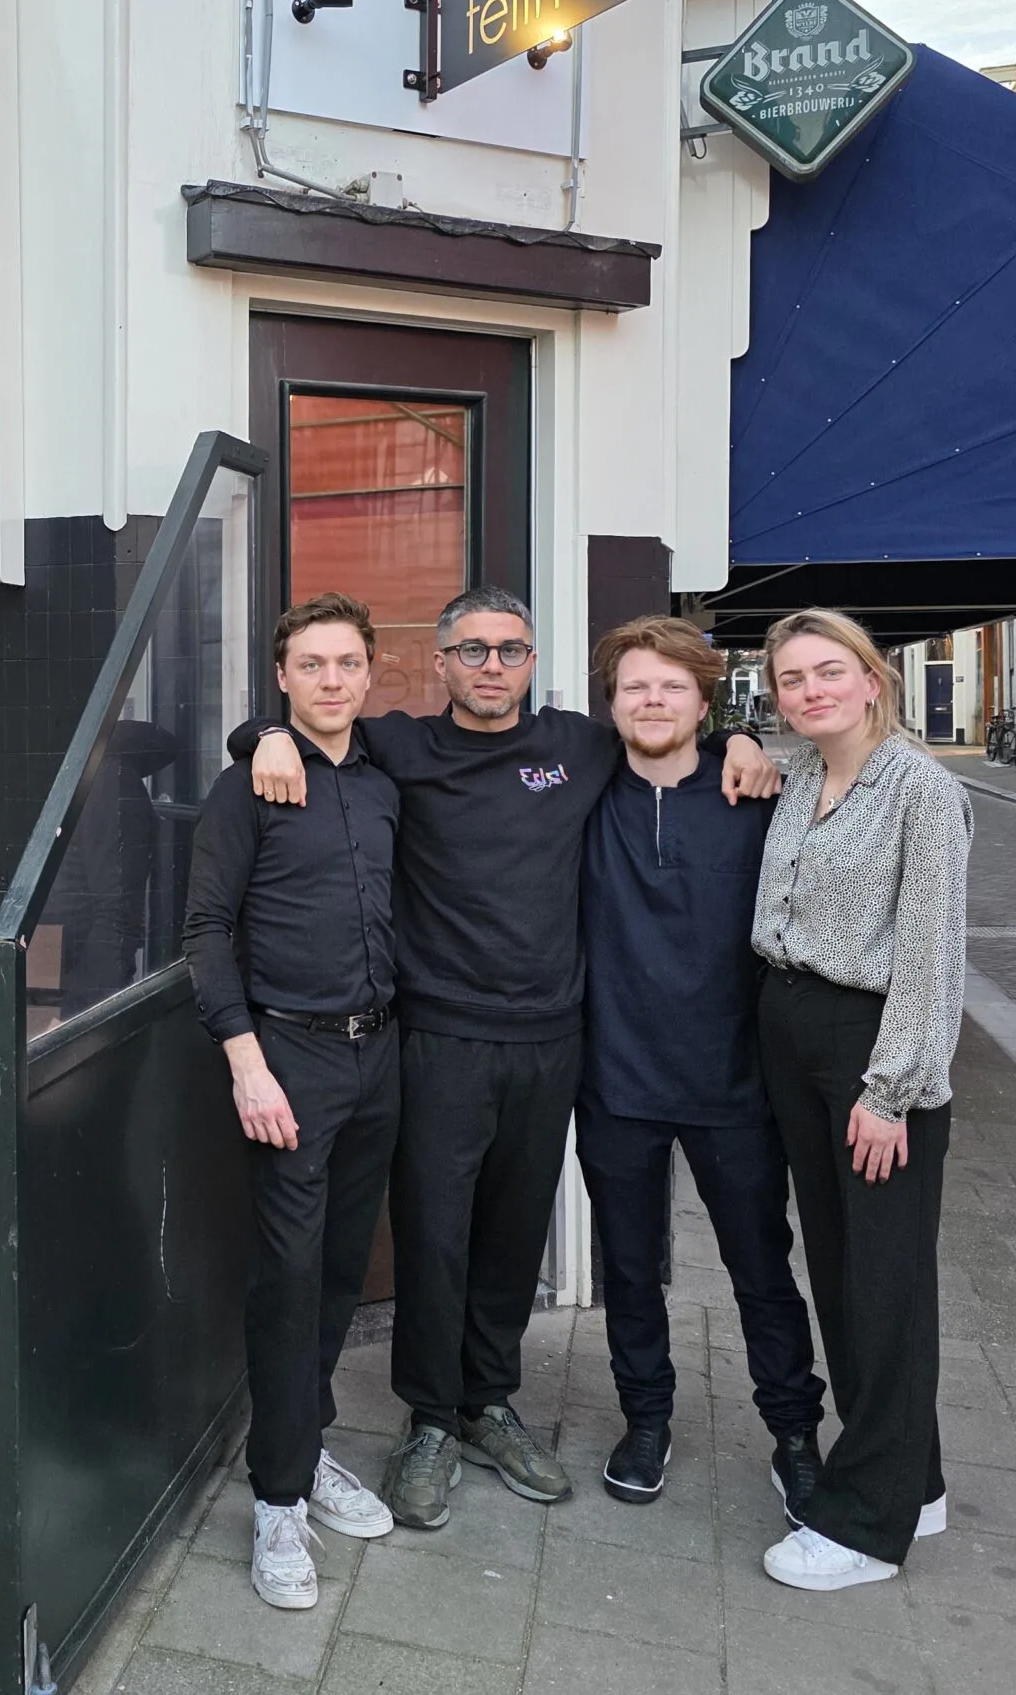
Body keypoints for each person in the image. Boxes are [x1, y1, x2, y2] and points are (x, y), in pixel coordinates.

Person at [238, 587, 778, 1529]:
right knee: (435, 1236)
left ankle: (487, 1402)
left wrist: (742, 739)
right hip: (439, 1039)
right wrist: (262, 736)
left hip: (552, 1040)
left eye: (511, 650)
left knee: (513, 1236)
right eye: (473, 650)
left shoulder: (579, 747)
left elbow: (667, 736)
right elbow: (311, 724)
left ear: (533, 662)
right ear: (441, 661)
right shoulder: (401, 746)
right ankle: (429, 1419)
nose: (493, 666)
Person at [575, 616, 824, 1514]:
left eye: (672, 686)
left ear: (704, 700)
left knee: (762, 1269)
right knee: (629, 1269)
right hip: (615, 1080)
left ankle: (795, 1434)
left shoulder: (759, 799)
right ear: (611, 703)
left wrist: (743, 743)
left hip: (734, 1084)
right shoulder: (581, 791)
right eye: (636, 687)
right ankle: (646, 1420)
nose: (653, 701)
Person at [184, 593, 401, 1611]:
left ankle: (304, 1448)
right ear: (281, 677)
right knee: (287, 1278)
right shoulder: (247, 789)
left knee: (339, 1274)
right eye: (310, 664)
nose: (331, 680)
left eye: (347, 662)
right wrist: (247, 1063)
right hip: (288, 1061)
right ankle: (277, 1501)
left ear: (370, 672)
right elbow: (204, 931)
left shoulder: (386, 776)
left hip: (379, 1056)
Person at [751, 609, 971, 1592]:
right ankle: (912, 1481)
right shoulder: (800, 773)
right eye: (792, 679)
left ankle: (868, 1524)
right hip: (790, 1027)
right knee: (842, 1271)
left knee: (885, 1281)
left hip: (871, 1049)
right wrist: (737, 749)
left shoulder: (922, 790)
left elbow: (930, 952)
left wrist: (891, 1091)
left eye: (828, 672)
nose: (811, 691)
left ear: (872, 680)